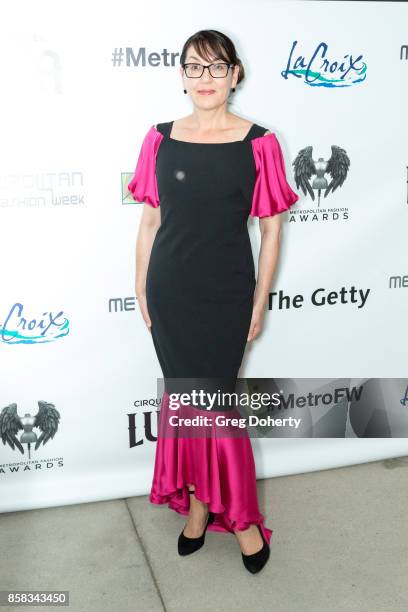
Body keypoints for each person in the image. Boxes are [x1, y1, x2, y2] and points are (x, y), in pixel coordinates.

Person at [128, 29, 299, 574]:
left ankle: (241, 520)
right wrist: (139, 284)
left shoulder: (260, 143)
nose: (205, 79)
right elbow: (150, 219)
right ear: (181, 76)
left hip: (226, 293)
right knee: (186, 405)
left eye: (216, 67)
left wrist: (260, 300)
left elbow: (271, 232)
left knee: (216, 408)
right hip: (171, 291)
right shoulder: (158, 139)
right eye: (194, 68)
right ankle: (199, 510)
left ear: (235, 73)